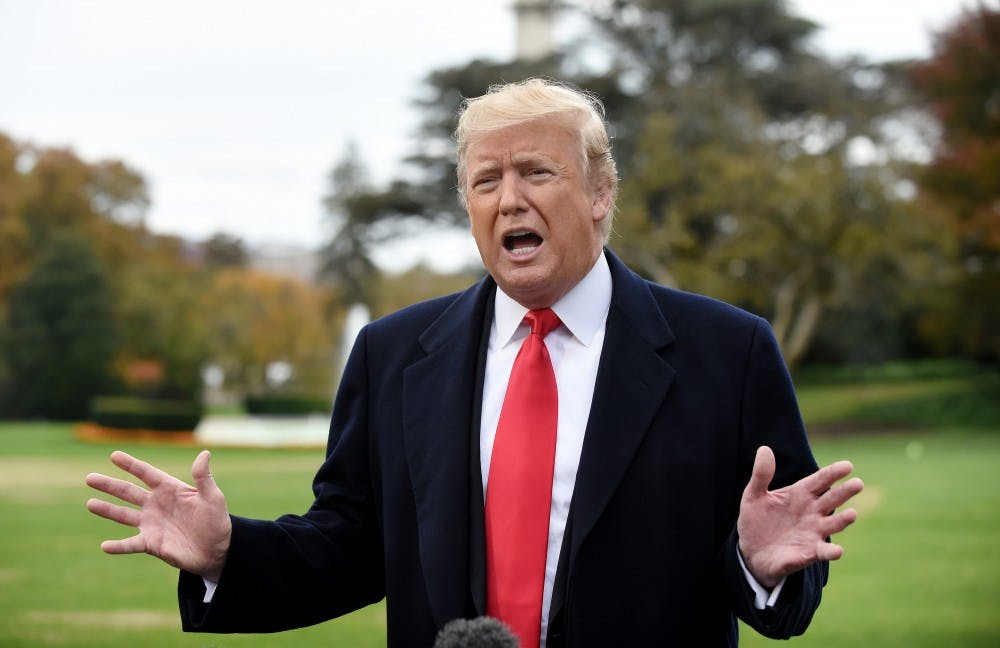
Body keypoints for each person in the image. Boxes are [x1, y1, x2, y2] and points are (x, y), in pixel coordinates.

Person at [86, 78, 863, 647]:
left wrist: (763, 567)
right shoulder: (392, 354)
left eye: (537, 172)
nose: (509, 200)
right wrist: (230, 553)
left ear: (600, 192)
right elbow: (352, 547)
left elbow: (786, 557)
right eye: (485, 180)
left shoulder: (727, 353)